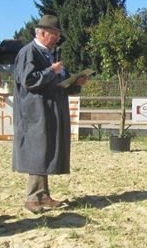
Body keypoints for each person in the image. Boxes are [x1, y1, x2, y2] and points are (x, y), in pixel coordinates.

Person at [12, 15, 89, 214]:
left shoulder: (49, 54)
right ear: (43, 33)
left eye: (58, 35)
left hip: (51, 110)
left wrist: (74, 84)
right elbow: (28, 80)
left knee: (46, 151)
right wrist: (51, 71)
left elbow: (58, 84)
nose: (57, 39)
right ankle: (32, 197)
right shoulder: (29, 52)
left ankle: (43, 195)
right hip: (36, 112)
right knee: (37, 151)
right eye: (55, 35)